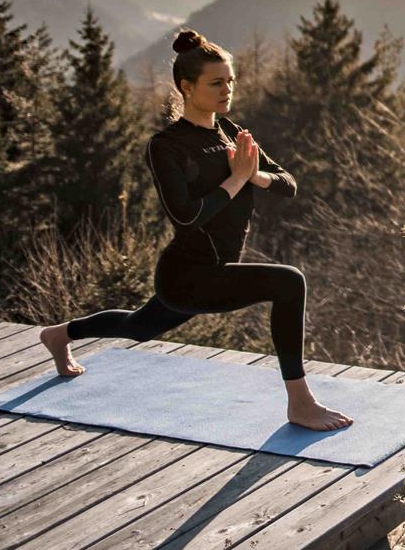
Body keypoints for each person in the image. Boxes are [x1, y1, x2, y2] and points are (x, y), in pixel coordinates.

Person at [39, 28, 353, 432]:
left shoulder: (229, 131)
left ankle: (59, 334)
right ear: (187, 87)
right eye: (216, 83)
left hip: (214, 269)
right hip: (188, 275)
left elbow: (288, 184)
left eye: (231, 81)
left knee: (138, 327)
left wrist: (252, 174)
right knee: (288, 283)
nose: (227, 90)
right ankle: (301, 404)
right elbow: (185, 215)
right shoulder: (166, 145)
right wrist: (236, 180)